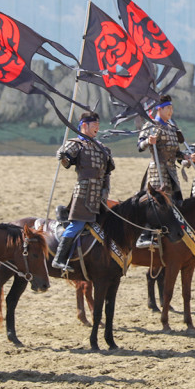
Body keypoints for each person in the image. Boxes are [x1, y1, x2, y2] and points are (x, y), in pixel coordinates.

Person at [51, 112, 115, 272]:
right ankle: (59, 259)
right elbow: (67, 161)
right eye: (94, 126)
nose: (97, 128)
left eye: (98, 125)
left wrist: (105, 191)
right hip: (84, 193)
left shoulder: (102, 147)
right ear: (84, 126)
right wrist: (62, 156)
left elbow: (107, 172)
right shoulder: (76, 144)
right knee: (77, 224)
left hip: (100, 194)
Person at [138, 94, 190, 246]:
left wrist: (185, 156)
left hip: (171, 172)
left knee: (172, 203)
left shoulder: (172, 128)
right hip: (157, 170)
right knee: (154, 203)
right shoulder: (152, 124)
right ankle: (145, 235)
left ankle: (168, 233)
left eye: (172, 108)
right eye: (168, 108)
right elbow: (140, 145)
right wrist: (148, 141)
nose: (171, 111)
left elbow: (175, 153)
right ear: (159, 109)